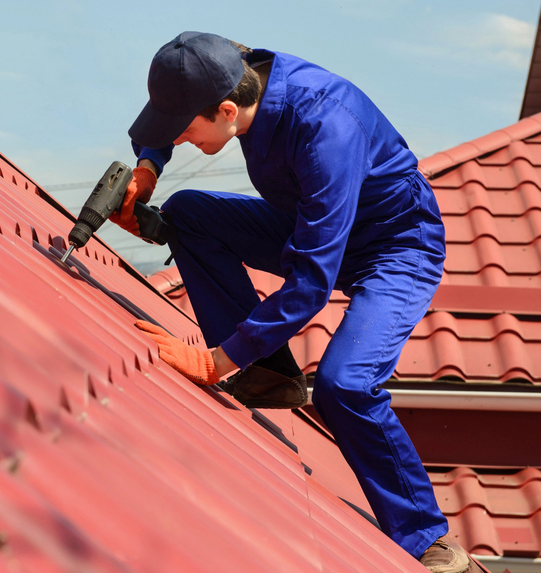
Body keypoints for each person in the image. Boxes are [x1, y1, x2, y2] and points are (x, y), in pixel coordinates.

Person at [117, 31, 470, 572]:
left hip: (393, 248)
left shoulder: (325, 127)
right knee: (187, 212)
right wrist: (147, 167)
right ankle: (267, 375)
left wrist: (217, 361)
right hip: (307, 221)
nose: (182, 141)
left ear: (228, 110)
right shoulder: (226, 69)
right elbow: (174, 113)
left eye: (186, 132)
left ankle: (426, 539)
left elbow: (311, 281)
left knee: (345, 384)